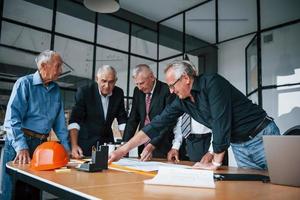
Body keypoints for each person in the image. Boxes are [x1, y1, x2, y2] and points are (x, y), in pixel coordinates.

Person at [109, 60, 280, 170]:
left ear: (185, 78)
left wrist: (215, 162)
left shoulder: (212, 83)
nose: (171, 90)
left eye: (172, 85)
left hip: (262, 136)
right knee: (255, 190)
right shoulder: (180, 100)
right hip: (239, 145)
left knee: (285, 186)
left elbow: (221, 120)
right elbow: (156, 124)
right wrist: (123, 150)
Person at [0, 50, 70, 200]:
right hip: (20, 144)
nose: (61, 70)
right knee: (11, 192)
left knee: (34, 192)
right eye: (58, 66)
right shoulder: (24, 83)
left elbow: (60, 124)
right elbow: (12, 119)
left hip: (42, 146)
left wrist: (66, 148)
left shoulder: (56, 90)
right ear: (44, 66)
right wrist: (21, 147)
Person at [68, 65, 127, 158]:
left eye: (111, 82)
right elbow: (75, 121)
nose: (107, 86)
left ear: (115, 80)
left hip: (107, 145)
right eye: (103, 81)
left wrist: (125, 143)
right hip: (85, 145)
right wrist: (74, 145)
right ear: (97, 79)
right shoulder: (85, 92)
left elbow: (122, 120)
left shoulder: (118, 93)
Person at [123, 64, 175, 160]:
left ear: (152, 77)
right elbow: (133, 119)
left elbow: (167, 123)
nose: (139, 87)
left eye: (142, 83)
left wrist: (152, 144)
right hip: (143, 145)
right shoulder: (137, 91)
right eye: (137, 84)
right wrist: (125, 144)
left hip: (162, 145)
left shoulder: (166, 90)